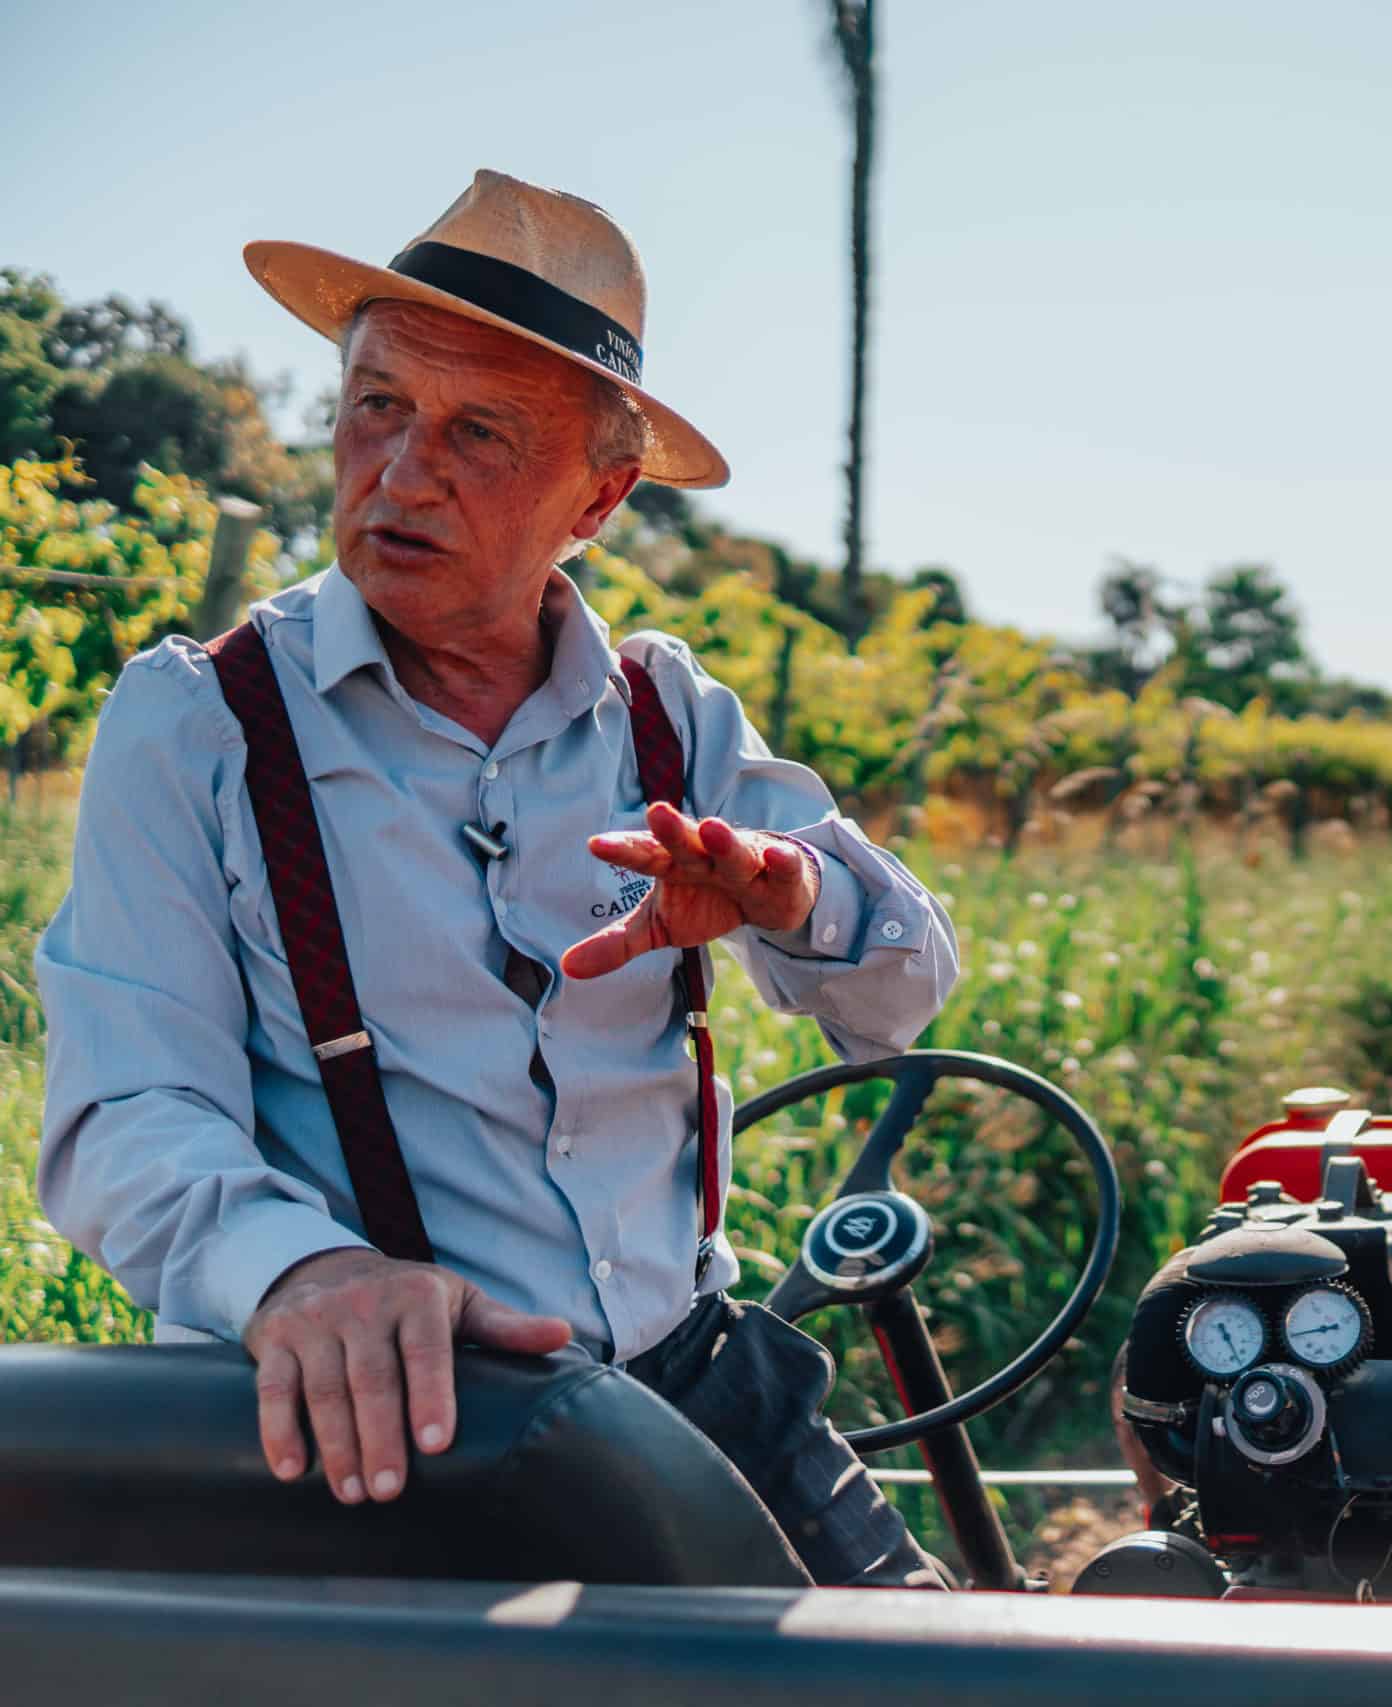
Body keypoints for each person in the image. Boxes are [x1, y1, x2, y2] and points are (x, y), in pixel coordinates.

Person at [36, 171, 962, 1586]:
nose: (403, 473)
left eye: (479, 431)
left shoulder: (672, 714)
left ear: (598, 497)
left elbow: (903, 992)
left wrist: (790, 896)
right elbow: (122, 1110)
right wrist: (300, 1272)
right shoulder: (202, 722)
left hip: (700, 1393)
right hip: (394, 1439)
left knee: (954, 1671)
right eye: (377, 407)